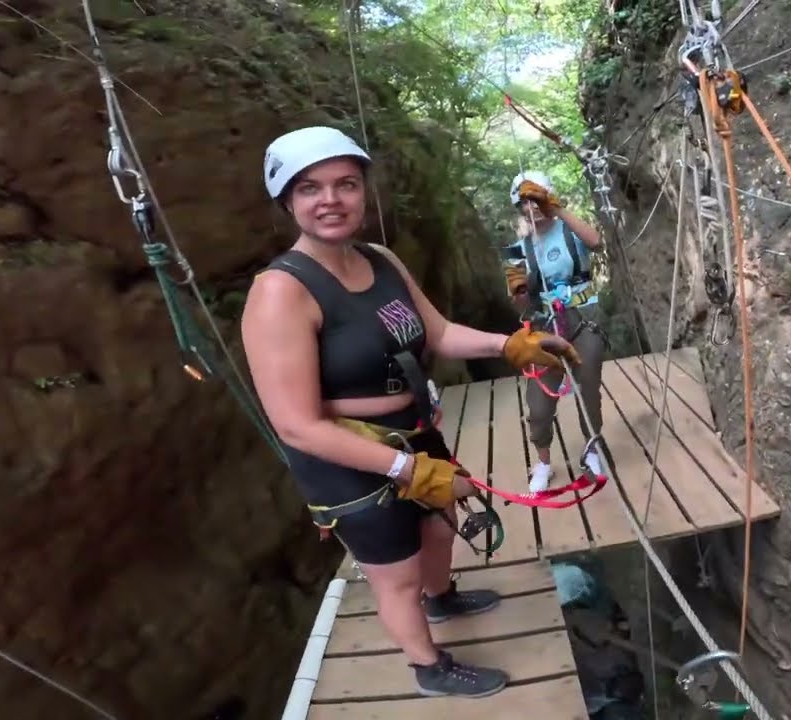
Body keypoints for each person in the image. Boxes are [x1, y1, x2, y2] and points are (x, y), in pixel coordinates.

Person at [240, 127, 580, 698]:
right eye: (310, 188)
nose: (331, 200)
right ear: (288, 201)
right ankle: (430, 667)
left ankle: (442, 598)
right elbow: (296, 424)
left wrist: (510, 345)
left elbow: (439, 332)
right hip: (344, 454)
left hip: (413, 428)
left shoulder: (380, 259)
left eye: (346, 184)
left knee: (437, 529)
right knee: (394, 572)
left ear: (364, 192)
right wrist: (406, 472)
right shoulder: (281, 292)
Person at [502, 170, 607, 493]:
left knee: (587, 385)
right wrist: (520, 292)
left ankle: (592, 449)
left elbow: (596, 242)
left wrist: (556, 208)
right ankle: (544, 462)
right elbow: (521, 309)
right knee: (538, 403)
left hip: (583, 316)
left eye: (536, 200)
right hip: (545, 324)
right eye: (525, 203)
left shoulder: (568, 229)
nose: (530, 208)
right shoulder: (516, 250)